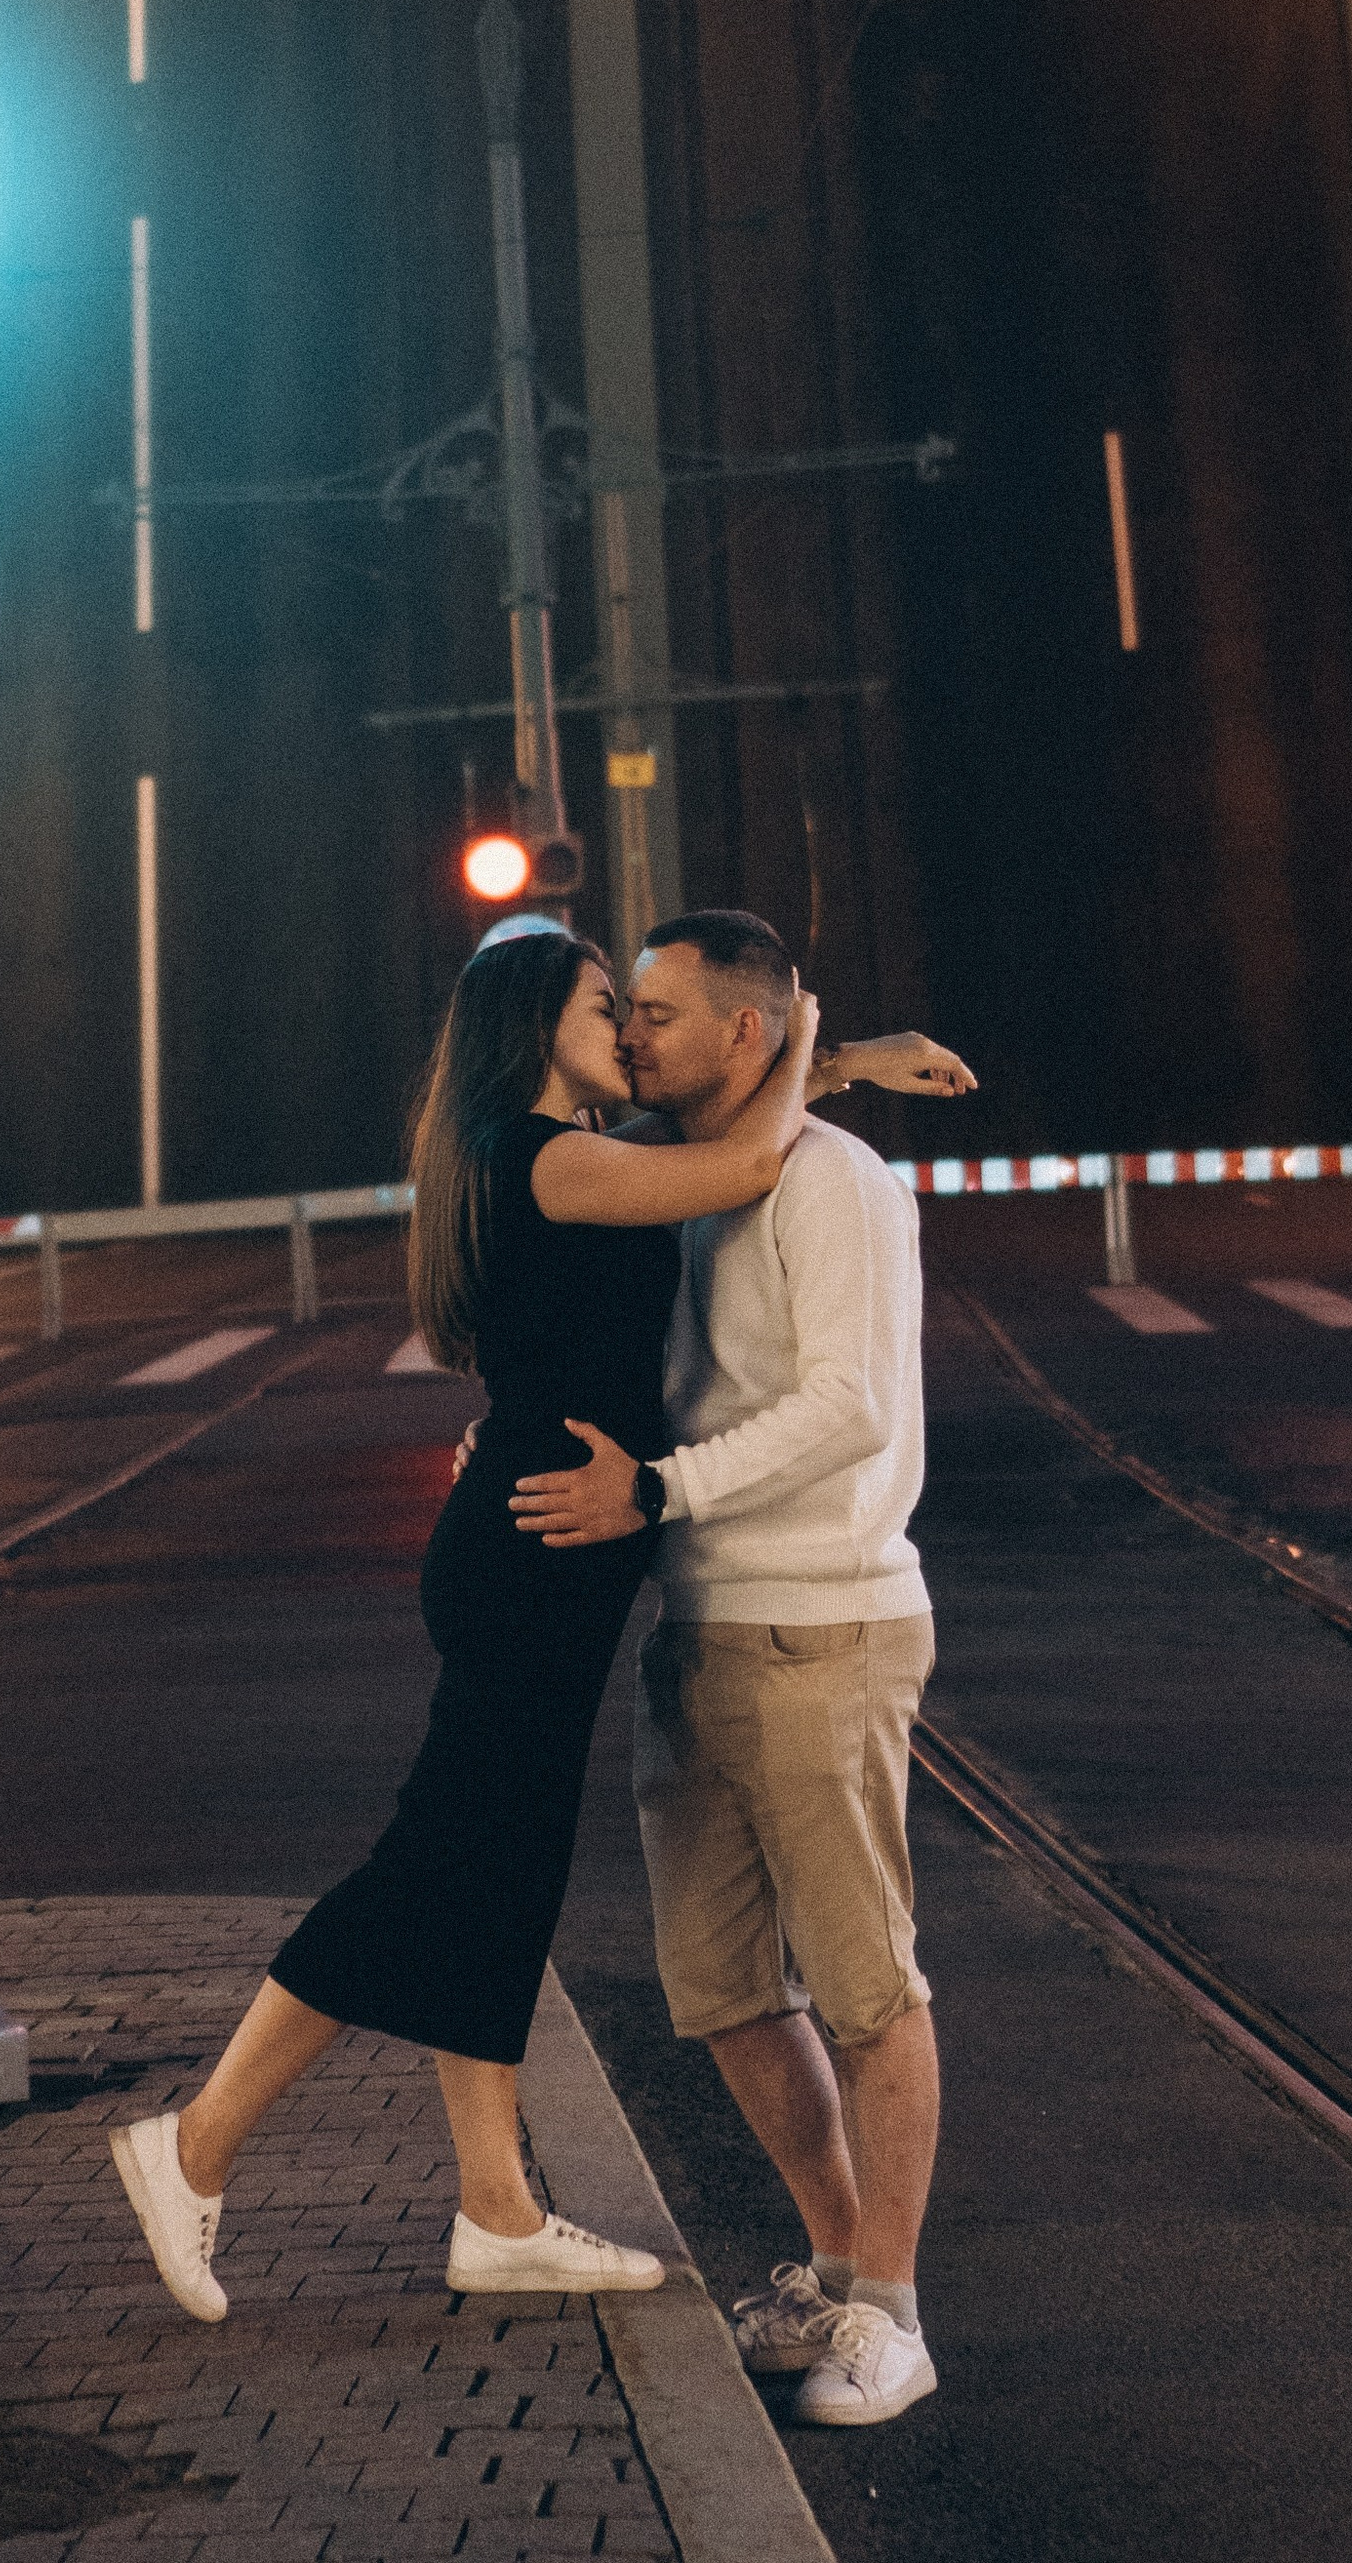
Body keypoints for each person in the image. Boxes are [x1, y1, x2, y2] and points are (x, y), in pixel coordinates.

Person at [109, 925, 819, 2319]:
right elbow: (745, 1163)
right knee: (436, 1863)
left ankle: (498, 2212)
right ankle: (193, 2144)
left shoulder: (539, 1150)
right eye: (606, 1008)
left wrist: (841, 1060)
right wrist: (796, 1025)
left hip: (537, 1541)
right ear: (531, 1023)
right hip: (533, 1551)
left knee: (499, 1871)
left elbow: (715, 1133)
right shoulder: (543, 1156)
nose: (628, 1032)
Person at [511, 910, 950, 2431]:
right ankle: (833, 2264)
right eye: (623, 1010)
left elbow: (848, 1407)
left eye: (658, 1013)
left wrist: (659, 1490)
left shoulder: (833, 1184)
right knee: (720, 1992)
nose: (630, 1036)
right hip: (694, 1625)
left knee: (869, 1988)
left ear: (746, 1032)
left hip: (824, 1622)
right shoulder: (680, 1172)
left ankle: (893, 2313)